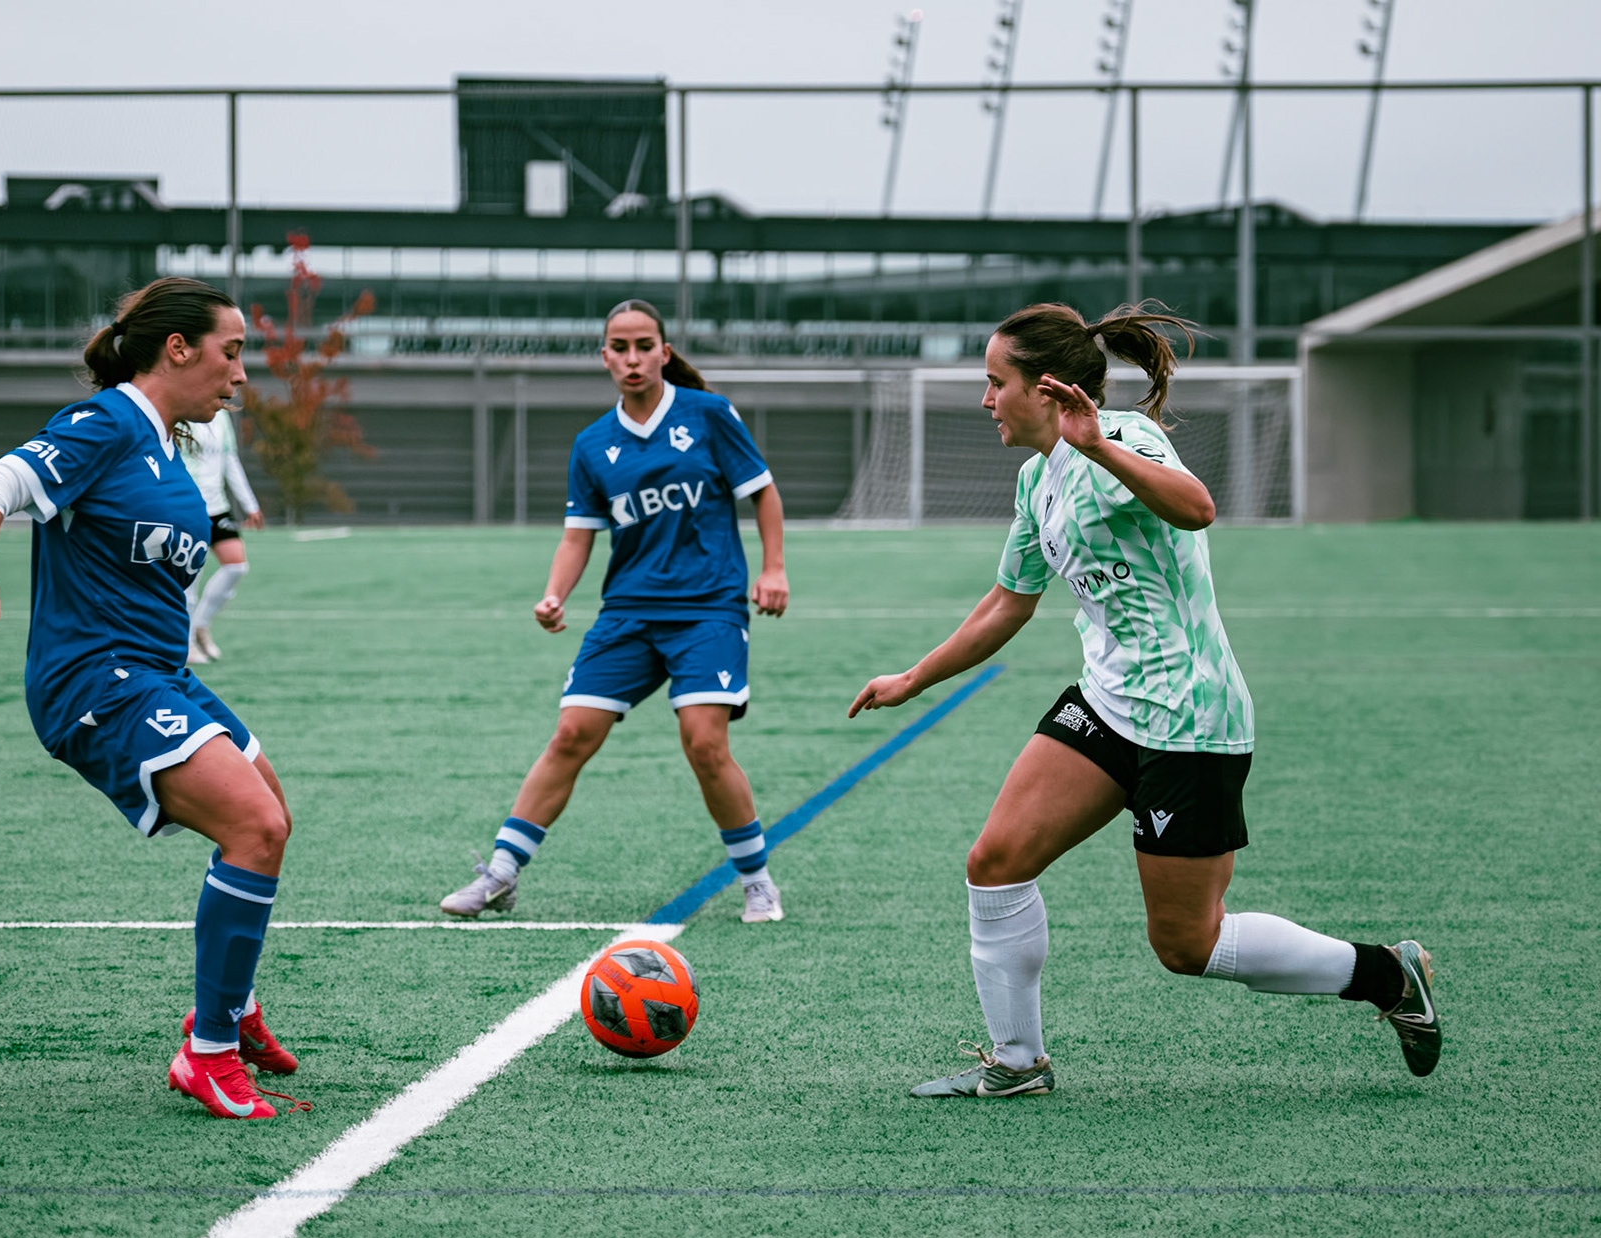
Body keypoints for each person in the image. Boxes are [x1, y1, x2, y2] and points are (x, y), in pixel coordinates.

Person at [848, 301, 1441, 1098]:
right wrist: (912, 678)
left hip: (1190, 717)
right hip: (1106, 705)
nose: (986, 400)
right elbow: (1007, 604)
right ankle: (1018, 1063)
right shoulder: (1036, 481)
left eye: (997, 383)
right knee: (995, 865)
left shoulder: (1126, 438)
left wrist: (1095, 443)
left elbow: (1197, 508)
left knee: (1187, 945)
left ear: (1049, 389)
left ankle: (1386, 975)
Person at [0, 277, 299, 1120]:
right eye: (231, 351)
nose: (242, 374)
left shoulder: (170, 446)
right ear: (176, 349)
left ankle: (227, 1005)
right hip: (94, 682)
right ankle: (208, 1054)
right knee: (254, 827)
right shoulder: (105, 423)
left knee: (271, 812)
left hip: (159, 675)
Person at [439, 298, 792, 924]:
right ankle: (500, 875)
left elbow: (762, 492)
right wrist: (555, 594)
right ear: (604, 356)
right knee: (571, 734)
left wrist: (773, 568)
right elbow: (579, 534)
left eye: (644, 346)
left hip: (708, 608)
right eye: (619, 347)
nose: (633, 359)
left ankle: (757, 881)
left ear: (663, 351)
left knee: (704, 743)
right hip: (627, 612)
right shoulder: (592, 444)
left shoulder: (709, 416)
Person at [183, 407, 264, 666]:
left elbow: (230, 459)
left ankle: (200, 626)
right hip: (188, 505)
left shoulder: (221, 415)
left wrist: (249, 504)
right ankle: (185, 645)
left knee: (236, 566)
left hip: (217, 505)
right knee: (189, 582)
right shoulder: (181, 411)